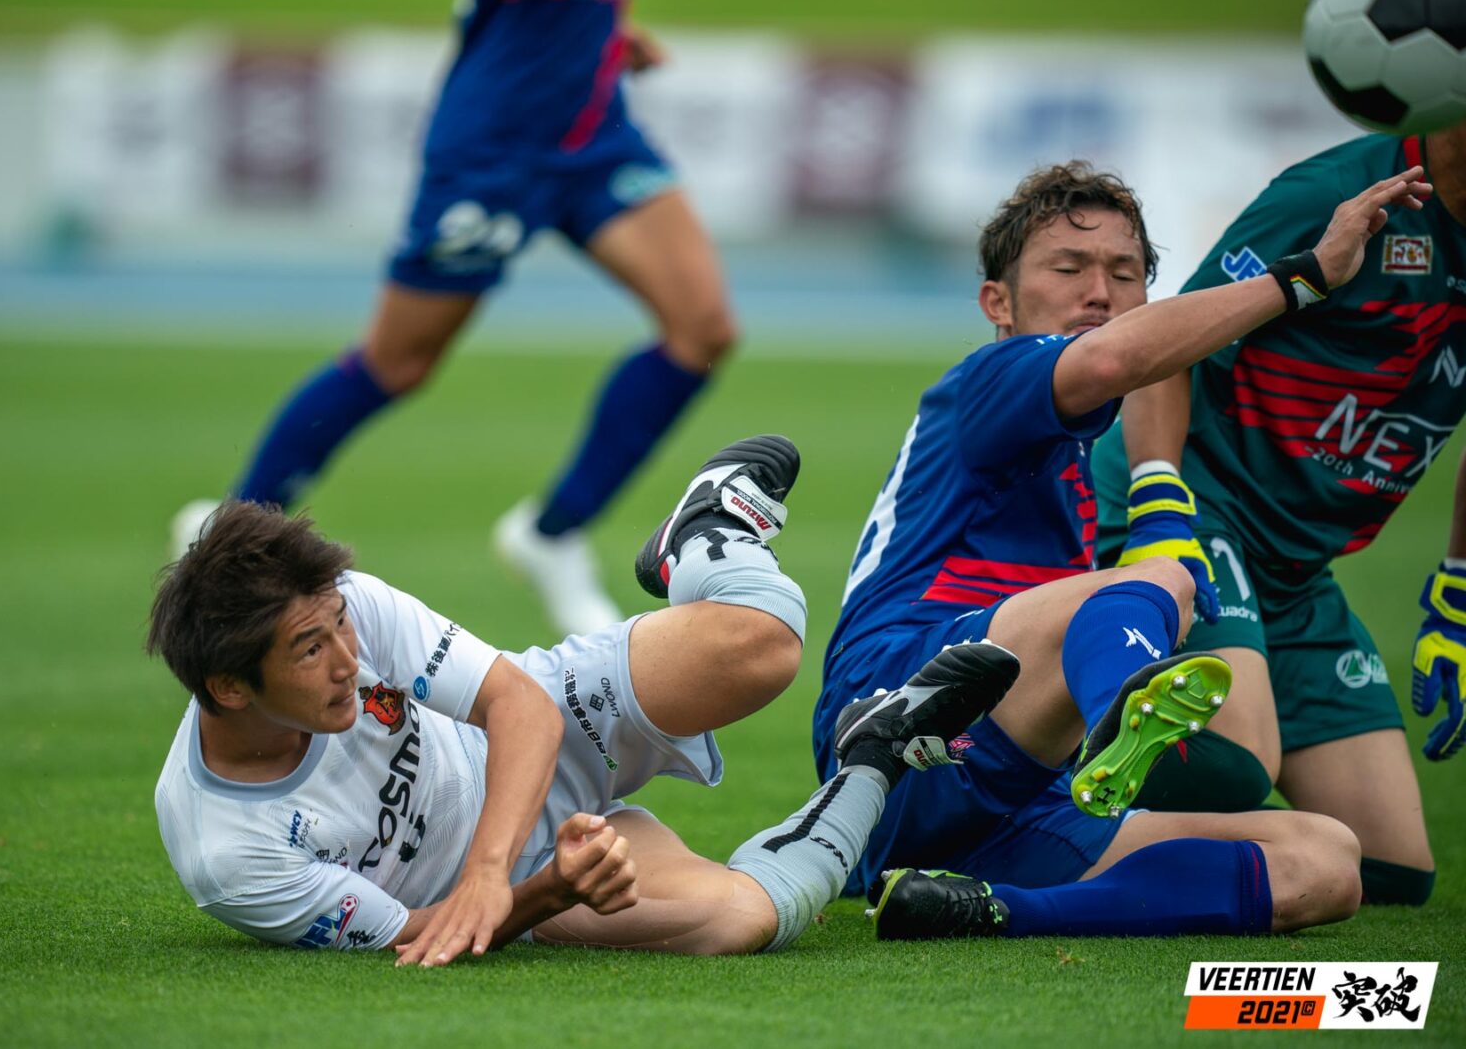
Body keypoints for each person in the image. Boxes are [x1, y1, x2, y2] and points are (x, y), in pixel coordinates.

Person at [813, 160, 1430, 939]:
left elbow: (1133, 369)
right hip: (894, 722)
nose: (1099, 292)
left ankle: (985, 908)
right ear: (997, 303)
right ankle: (1122, 722)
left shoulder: (1078, 447)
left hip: (1008, 790)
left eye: (1125, 274)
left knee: (1328, 858)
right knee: (1161, 577)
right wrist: (1301, 279)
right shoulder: (992, 378)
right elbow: (1116, 361)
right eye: (1068, 268)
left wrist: (1156, 497)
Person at [149, 435, 1021, 963]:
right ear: (228, 685)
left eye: (341, 627)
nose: (349, 659)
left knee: (762, 645)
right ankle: (876, 754)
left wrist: (485, 866)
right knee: (743, 920)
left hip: (535, 730)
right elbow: (417, 933)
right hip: (531, 879)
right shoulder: (230, 851)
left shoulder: (340, 600)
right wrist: (549, 886)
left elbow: (518, 704)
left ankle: (703, 536)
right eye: (312, 650)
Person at [172, 0, 738, 637]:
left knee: (702, 329)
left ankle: (554, 532)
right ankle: (234, 523)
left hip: (591, 132)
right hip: (493, 149)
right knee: (397, 362)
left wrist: (596, 32)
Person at [1092, 122, 1466, 908]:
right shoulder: (1333, 193)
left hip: (1296, 568)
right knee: (1240, 764)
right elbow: (1169, 343)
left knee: (1395, 869)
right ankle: (1024, 803)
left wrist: (1459, 588)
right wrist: (1160, 505)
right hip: (1203, 503)